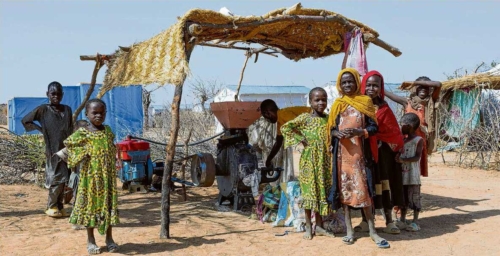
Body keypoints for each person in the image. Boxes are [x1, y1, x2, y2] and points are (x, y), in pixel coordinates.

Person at [327, 68, 389, 249]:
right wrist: (336, 133)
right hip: (342, 157)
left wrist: (359, 132)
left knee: (365, 193)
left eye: (351, 81)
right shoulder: (338, 104)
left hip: (360, 157)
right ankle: (350, 231)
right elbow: (330, 128)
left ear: (356, 82)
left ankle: (372, 231)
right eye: (344, 82)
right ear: (340, 84)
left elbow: (373, 128)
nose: (347, 85)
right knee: (345, 193)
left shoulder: (365, 102)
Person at [64, 99, 119, 254]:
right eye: (94, 112)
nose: (98, 116)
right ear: (87, 114)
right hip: (90, 179)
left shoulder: (108, 131)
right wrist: (83, 153)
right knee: (91, 208)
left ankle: (109, 239)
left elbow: (112, 148)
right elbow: (69, 145)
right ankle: (91, 240)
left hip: (107, 178)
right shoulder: (83, 133)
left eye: (102, 112)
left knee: (107, 207)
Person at [354, 71, 405, 234]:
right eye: (368, 85)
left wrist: (383, 141)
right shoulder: (357, 106)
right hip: (362, 152)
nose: (371, 88)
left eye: (375, 85)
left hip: (382, 155)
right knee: (365, 185)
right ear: (363, 86)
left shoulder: (384, 107)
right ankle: (365, 221)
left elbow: (393, 132)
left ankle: (389, 221)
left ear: (380, 88)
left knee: (384, 185)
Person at [281, 87, 333, 240]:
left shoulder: (328, 119)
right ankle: (309, 228)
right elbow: (286, 128)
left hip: (324, 161)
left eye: (324, 99)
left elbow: (332, 135)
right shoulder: (304, 118)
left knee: (320, 192)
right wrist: (299, 139)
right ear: (310, 102)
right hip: (308, 162)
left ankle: (320, 225)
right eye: (317, 100)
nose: (321, 103)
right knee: (309, 193)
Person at [22, 81, 73, 218]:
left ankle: (60, 206)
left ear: (62, 94)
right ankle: (51, 206)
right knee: (56, 179)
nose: (56, 96)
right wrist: (41, 130)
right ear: (48, 94)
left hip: (66, 150)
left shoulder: (67, 109)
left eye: (58, 94)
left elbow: (70, 128)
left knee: (64, 180)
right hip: (52, 151)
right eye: (53, 93)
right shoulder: (43, 109)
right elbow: (26, 120)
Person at [385, 77, 442, 177]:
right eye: (420, 87)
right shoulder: (407, 102)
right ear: (415, 89)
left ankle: (415, 188)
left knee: (416, 165)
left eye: (426, 87)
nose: (423, 89)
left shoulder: (430, 101)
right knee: (403, 162)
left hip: (420, 140)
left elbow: (438, 84)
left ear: (429, 89)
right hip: (406, 139)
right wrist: (380, 87)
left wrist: (414, 82)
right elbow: (390, 95)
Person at [260, 99, 310, 168]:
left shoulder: (283, 114)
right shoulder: (280, 122)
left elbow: (301, 127)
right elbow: (278, 143)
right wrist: (268, 160)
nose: (267, 119)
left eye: (265, 116)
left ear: (267, 113)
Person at [396, 113, 424, 232]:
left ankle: (415, 221)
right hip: (403, 175)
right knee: (403, 197)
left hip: (412, 175)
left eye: (402, 125)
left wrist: (402, 160)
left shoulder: (418, 140)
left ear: (410, 126)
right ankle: (402, 219)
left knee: (414, 197)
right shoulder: (403, 139)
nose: (400, 127)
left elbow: (417, 157)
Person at [67, 119, 89, 230]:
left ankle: (83, 220)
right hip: (78, 176)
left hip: (83, 176)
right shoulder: (76, 144)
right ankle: (77, 222)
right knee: (78, 199)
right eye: (84, 127)